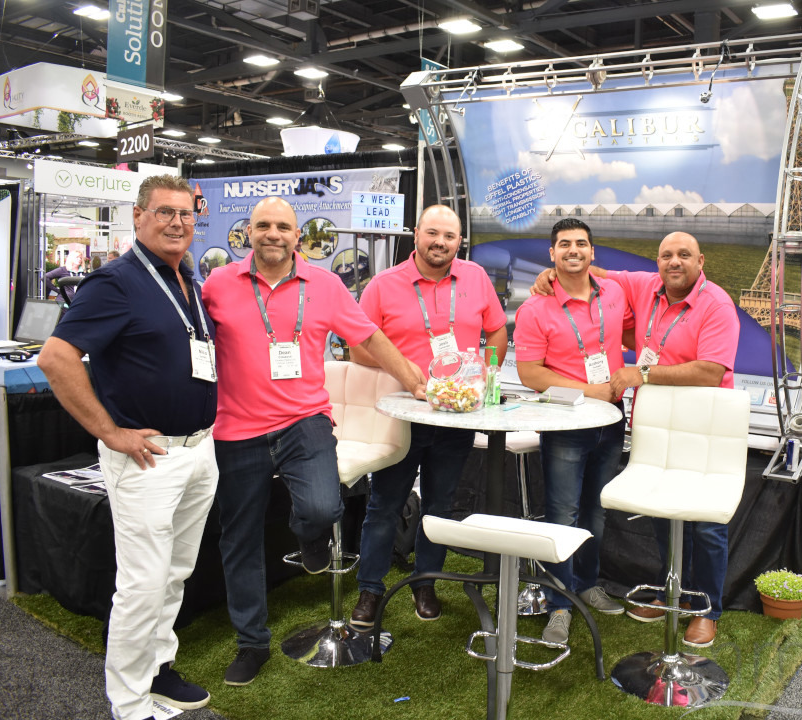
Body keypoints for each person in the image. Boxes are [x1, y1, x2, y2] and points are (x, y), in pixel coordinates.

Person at [201, 196, 426, 687]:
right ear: (248, 233)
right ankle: (251, 643)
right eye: (264, 225)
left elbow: (369, 337)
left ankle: (311, 537)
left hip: (304, 420)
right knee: (239, 536)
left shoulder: (324, 285)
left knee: (323, 507)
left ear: (297, 236)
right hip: (236, 426)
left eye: (283, 226)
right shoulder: (218, 283)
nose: (273, 234)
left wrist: (413, 379)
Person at [37, 175, 217, 720]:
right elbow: (56, 358)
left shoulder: (187, 276)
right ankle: (130, 702)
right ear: (138, 216)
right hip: (146, 456)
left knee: (174, 573)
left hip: (198, 450)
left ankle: (157, 670)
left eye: (185, 214)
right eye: (164, 212)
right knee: (142, 584)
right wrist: (109, 432)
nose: (177, 223)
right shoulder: (115, 282)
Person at [530, 230, 740, 648]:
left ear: (701, 262)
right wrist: (551, 274)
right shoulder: (646, 285)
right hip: (656, 421)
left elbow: (710, 371)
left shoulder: (716, 304)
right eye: (667, 255)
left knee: (705, 524)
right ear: (657, 262)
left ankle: (707, 610)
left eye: (684, 255)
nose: (674, 262)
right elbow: (591, 271)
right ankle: (672, 593)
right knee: (663, 513)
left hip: (703, 423)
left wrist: (640, 373)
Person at [349, 205, 508, 630]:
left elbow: (496, 328)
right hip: (400, 413)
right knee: (385, 504)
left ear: (460, 241)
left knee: (439, 506)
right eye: (432, 233)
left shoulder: (475, 278)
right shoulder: (383, 285)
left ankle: (426, 583)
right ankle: (370, 590)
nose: (440, 242)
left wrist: (487, 373)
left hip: (456, 416)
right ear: (416, 234)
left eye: (449, 236)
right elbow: (358, 349)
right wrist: (404, 371)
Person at [513, 217, 633, 645]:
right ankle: (559, 603)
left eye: (581, 243)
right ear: (552, 254)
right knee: (562, 515)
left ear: (592, 251)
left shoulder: (614, 292)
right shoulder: (535, 308)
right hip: (565, 423)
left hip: (611, 420)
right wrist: (590, 390)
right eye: (564, 244)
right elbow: (530, 373)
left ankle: (586, 584)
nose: (573, 251)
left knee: (596, 512)